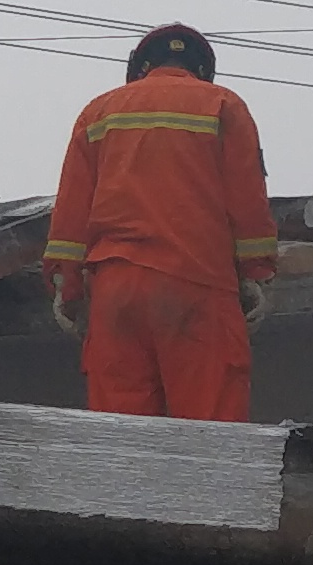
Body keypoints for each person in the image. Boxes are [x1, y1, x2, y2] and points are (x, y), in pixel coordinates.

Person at [41, 21, 278, 422]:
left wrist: (67, 286)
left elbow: (71, 212)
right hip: (198, 285)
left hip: (115, 294)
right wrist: (256, 273)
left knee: (122, 438)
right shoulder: (223, 105)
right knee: (209, 435)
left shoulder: (98, 113)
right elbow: (247, 200)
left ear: (140, 67)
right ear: (201, 70)